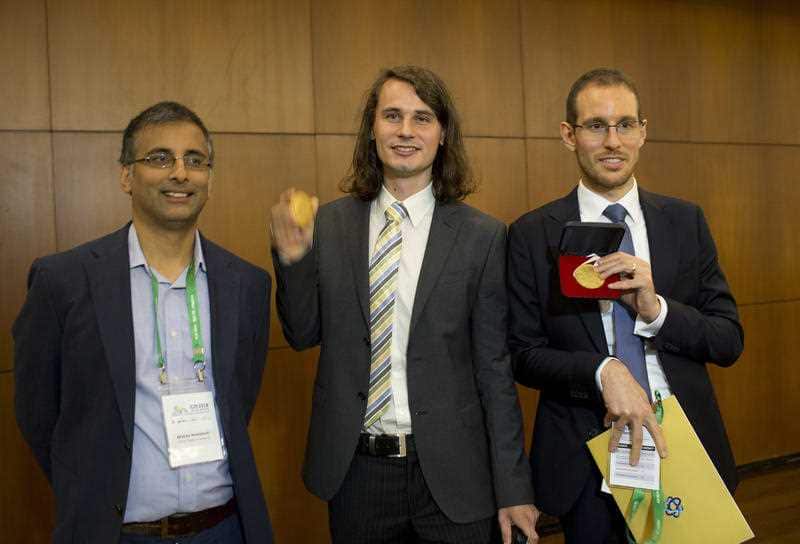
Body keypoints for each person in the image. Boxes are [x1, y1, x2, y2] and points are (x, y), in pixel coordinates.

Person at [270, 65, 539, 544]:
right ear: (372, 129)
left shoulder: (482, 237)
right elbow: (302, 332)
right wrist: (293, 261)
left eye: (422, 118)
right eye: (392, 115)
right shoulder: (330, 226)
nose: (406, 131)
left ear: (442, 135)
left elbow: (495, 371)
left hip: (456, 477)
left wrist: (514, 487)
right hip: (358, 474)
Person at [14, 101, 273, 543]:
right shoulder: (64, 281)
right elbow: (39, 413)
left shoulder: (246, 285)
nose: (179, 173)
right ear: (126, 175)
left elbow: (238, 401)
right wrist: (90, 490)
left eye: (195, 160)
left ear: (209, 179)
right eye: (159, 158)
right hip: (114, 532)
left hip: (224, 527)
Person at [507, 68, 743, 543]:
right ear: (569, 135)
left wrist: (655, 309)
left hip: (682, 447)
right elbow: (523, 354)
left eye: (625, 125)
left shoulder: (684, 221)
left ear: (642, 132)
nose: (612, 141)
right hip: (585, 450)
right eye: (596, 126)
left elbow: (727, 340)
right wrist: (604, 370)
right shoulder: (532, 234)